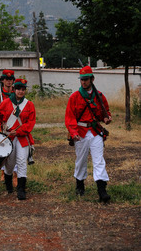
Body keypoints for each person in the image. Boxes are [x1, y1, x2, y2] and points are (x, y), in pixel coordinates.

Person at [65, 65, 112, 203]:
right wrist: (73, 132)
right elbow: (70, 117)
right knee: (81, 160)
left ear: (92, 79)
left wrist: (106, 118)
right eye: (81, 79)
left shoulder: (100, 96)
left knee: (99, 160)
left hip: (95, 132)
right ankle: (80, 185)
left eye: (86, 79)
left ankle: (102, 191)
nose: (83, 82)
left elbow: (105, 112)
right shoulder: (74, 97)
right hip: (80, 132)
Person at [0, 78, 36, 200]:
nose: (20, 91)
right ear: (14, 89)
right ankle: (8, 185)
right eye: (18, 89)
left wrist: (18, 131)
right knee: (10, 163)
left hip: (22, 137)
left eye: (23, 89)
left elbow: (30, 123)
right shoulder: (6, 103)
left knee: (22, 161)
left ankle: (21, 189)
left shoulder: (29, 105)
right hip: (9, 137)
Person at [0, 69, 18, 187]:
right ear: (2, 80)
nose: (9, 82)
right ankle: (3, 172)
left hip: (14, 126)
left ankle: (15, 174)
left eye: (11, 79)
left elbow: (20, 110)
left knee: (16, 151)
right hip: (1, 126)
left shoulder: (17, 93)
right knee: (3, 151)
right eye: (6, 79)